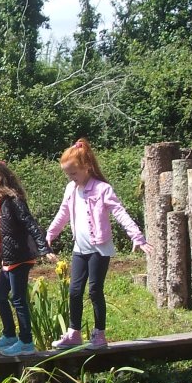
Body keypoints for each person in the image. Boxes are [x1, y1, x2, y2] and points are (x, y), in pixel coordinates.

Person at [46, 138, 153, 348]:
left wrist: (137, 237)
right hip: (80, 249)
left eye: (73, 173)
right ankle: (73, 333)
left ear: (86, 167)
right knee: (74, 291)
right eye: (67, 174)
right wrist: (50, 234)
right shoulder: (70, 189)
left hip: (99, 249)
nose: (71, 178)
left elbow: (120, 213)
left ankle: (99, 334)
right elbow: (63, 213)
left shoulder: (102, 189)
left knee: (95, 290)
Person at [0, 159, 57, 356]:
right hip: (9, 259)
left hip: (19, 257)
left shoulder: (14, 201)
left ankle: (26, 342)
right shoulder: (2, 202)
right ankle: (10, 335)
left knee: (18, 299)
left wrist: (44, 248)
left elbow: (30, 224)